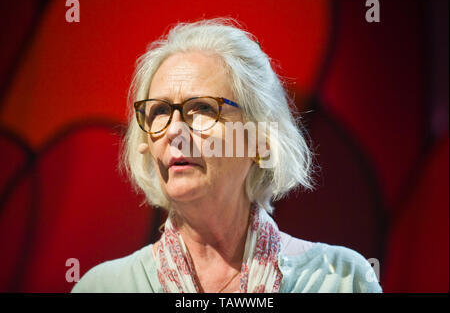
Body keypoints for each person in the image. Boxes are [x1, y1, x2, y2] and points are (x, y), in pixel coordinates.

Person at [72, 18, 382, 293]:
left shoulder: (339, 280)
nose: (173, 131)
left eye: (203, 109)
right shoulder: (104, 287)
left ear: (261, 139)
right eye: (160, 112)